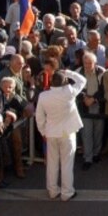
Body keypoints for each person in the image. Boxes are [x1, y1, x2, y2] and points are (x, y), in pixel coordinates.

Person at [35, 67, 86, 201]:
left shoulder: (43, 96)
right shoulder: (69, 92)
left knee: (52, 163)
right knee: (67, 164)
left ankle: (52, 191)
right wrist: (68, 72)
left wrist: (43, 131)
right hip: (67, 133)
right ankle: (67, 192)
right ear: (64, 82)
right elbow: (82, 80)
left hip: (51, 132)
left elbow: (39, 117)